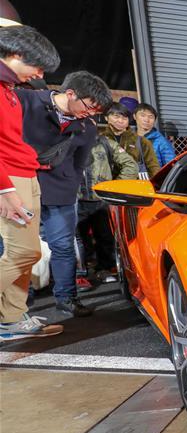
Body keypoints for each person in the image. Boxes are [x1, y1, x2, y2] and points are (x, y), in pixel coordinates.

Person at [17, 70, 113, 318]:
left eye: (96, 112)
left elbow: (80, 164)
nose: (91, 114)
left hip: (61, 194)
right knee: (19, 249)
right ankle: (19, 303)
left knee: (63, 247)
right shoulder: (26, 101)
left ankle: (66, 298)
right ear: (70, 93)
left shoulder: (87, 127)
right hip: (21, 188)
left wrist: (70, 188)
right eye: (89, 107)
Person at [0, 24, 64, 341]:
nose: (39, 74)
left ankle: (11, 319)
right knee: (24, 253)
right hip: (10, 180)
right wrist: (5, 189)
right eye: (37, 66)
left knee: (25, 254)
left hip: (24, 174)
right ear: (15, 54)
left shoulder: (9, 90)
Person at [77, 130, 138, 281]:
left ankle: (104, 269)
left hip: (102, 200)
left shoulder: (105, 143)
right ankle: (81, 273)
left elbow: (130, 165)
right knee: (77, 239)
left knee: (105, 237)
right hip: (75, 200)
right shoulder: (67, 142)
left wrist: (114, 187)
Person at [100, 103, 160, 179]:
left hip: (134, 184)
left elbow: (154, 168)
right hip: (106, 184)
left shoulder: (142, 141)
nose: (120, 121)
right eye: (116, 116)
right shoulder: (100, 140)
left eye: (125, 118)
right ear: (106, 117)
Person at [134, 102, 176, 167]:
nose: (146, 120)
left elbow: (171, 166)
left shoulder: (161, 142)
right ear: (134, 116)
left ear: (155, 120)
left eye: (150, 117)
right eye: (143, 115)